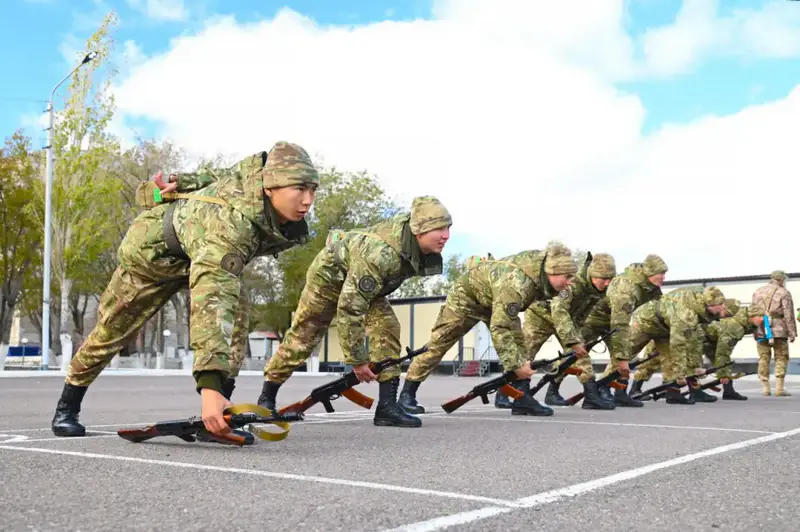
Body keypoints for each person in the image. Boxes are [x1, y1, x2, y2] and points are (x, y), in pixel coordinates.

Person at [51, 142, 320, 438]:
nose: (307, 201)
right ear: (270, 187)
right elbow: (212, 303)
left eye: (312, 190)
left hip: (195, 252)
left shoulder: (252, 183)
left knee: (237, 317)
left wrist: (183, 181)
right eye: (299, 189)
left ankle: (220, 414)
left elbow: (219, 175)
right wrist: (208, 386)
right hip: (152, 257)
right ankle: (67, 407)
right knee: (111, 332)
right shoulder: (231, 225)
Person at [257, 196, 452, 428]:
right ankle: (266, 398)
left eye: (448, 228)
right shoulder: (381, 255)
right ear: (420, 231)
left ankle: (387, 407)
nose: (446, 236)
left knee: (386, 326)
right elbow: (350, 309)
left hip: (363, 282)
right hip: (328, 279)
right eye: (439, 229)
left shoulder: (414, 246)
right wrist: (358, 362)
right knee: (305, 335)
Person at [397, 242, 582, 417]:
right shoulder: (517, 284)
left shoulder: (541, 269)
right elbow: (500, 327)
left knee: (520, 344)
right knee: (439, 343)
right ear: (553, 272)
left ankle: (522, 398)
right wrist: (516, 367)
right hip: (466, 299)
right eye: (568, 277)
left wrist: (519, 362)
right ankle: (407, 395)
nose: (571, 282)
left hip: (493, 299)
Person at [518, 251, 617, 410]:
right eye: (604, 278)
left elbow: (583, 312)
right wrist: (574, 340)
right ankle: (509, 394)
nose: (607, 283)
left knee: (578, 355)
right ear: (592, 274)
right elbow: (559, 309)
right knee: (525, 355)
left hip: (566, 320)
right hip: (541, 315)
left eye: (610, 278)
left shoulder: (597, 288)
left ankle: (585, 394)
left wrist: (577, 336)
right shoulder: (574, 282)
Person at [584, 254, 668, 407]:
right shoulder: (627, 286)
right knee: (575, 354)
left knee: (624, 352)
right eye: (660, 274)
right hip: (592, 319)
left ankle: (620, 394)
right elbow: (619, 325)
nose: (663, 277)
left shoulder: (651, 287)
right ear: (649, 273)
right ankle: (553, 389)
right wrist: (622, 358)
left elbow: (662, 307)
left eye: (664, 273)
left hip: (614, 320)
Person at [626, 286, 727, 405]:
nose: (723, 308)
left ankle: (673, 393)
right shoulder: (686, 314)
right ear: (712, 305)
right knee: (625, 353)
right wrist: (680, 375)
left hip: (665, 326)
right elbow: (678, 345)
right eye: (721, 305)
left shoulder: (700, 310)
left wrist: (694, 368)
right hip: (646, 321)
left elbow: (694, 345)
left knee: (670, 358)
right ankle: (606, 387)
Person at [752, 271, 796, 396]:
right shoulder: (784, 292)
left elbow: (752, 311)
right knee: (781, 357)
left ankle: (765, 388)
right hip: (779, 329)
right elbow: (789, 315)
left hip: (761, 328)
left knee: (763, 357)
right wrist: (792, 333)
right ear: (782, 279)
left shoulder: (758, 291)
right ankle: (779, 388)